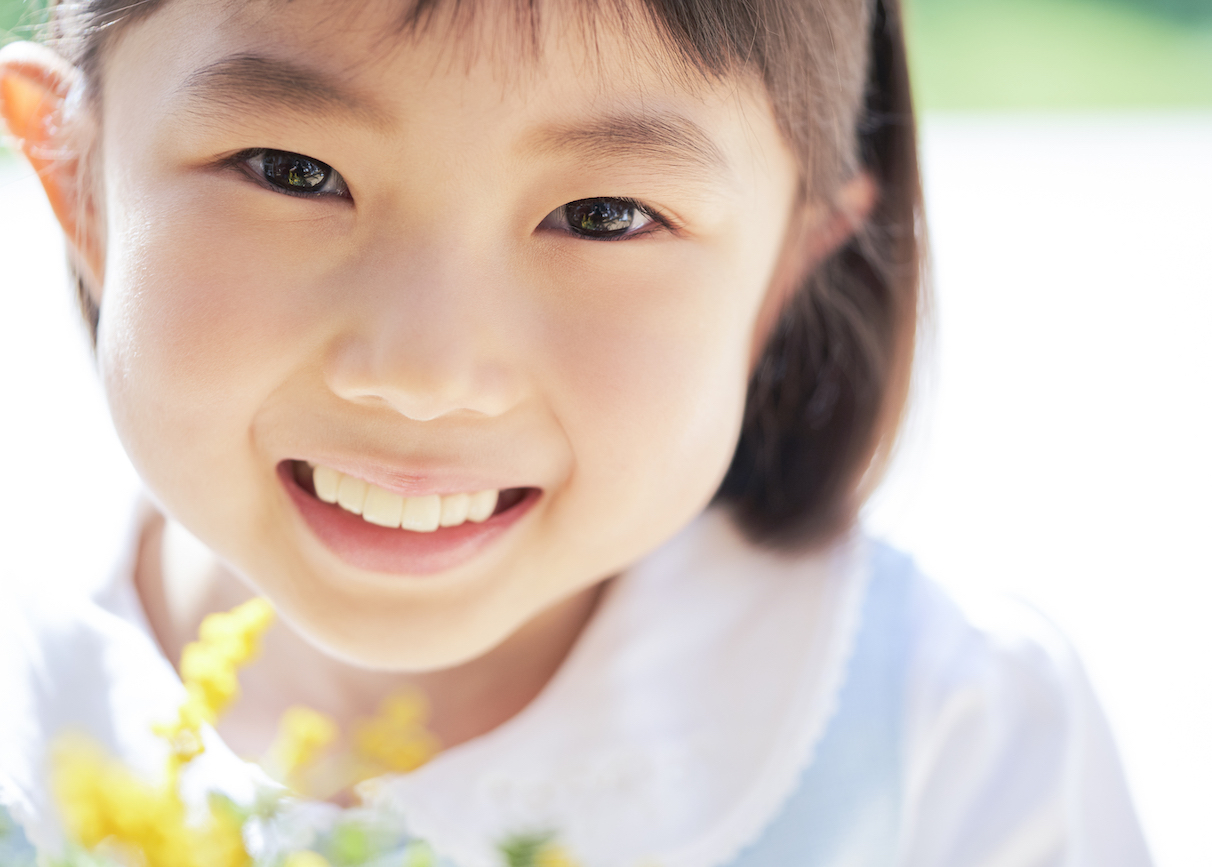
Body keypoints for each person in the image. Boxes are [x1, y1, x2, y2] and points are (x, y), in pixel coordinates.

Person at [0, 0, 1152, 863]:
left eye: (603, 215)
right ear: (77, 179)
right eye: (296, 171)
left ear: (788, 267)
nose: (426, 375)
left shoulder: (954, 742)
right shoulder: (27, 721)